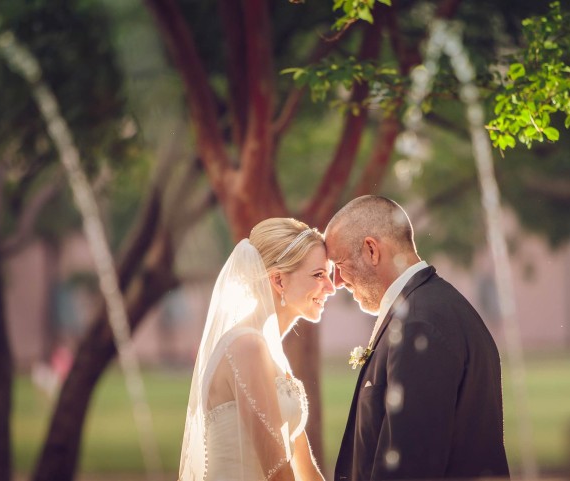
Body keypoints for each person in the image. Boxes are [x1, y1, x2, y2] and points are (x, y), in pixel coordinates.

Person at [325, 195, 510, 480]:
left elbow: (408, 465)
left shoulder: (418, 324)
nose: (336, 281)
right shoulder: (434, 306)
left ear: (371, 250)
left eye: (339, 263)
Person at [178, 218, 336, 481]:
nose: (331, 288)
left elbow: (305, 468)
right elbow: (277, 472)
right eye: (319, 275)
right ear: (278, 281)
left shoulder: (270, 351)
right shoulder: (246, 347)